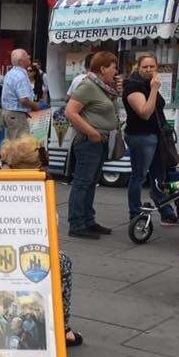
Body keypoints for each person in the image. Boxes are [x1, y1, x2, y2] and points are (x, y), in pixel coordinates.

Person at [0, 135, 82, 345]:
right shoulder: (35, 193)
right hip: (21, 258)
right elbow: (48, 237)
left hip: (0, 254)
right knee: (62, 262)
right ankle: (62, 327)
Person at [65, 50, 120, 239]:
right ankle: (77, 224)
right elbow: (70, 112)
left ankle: (88, 220)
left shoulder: (103, 86)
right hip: (88, 141)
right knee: (82, 182)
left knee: (91, 182)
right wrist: (92, 132)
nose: (116, 71)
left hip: (100, 141)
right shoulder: (87, 85)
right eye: (114, 67)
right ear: (103, 68)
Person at [122, 53, 179, 226]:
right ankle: (135, 214)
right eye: (145, 67)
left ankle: (166, 212)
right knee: (138, 176)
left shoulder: (148, 82)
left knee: (158, 177)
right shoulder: (133, 86)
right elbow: (145, 113)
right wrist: (154, 88)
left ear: (157, 67)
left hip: (156, 136)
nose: (148, 70)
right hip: (141, 136)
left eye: (152, 67)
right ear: (138, 68)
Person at [1, 49, 39, 140]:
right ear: (21, 61)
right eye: (26, 55)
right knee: (21, 145)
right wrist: (35, 106)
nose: (29, 56)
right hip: (17, 114)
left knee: (12, 143)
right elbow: (23, 100)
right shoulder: (20, 76)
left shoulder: (11, 73)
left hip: (9, 112)